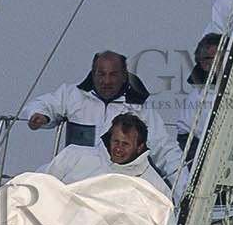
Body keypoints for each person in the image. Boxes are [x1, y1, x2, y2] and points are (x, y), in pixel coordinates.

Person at [43, 112, 176, 225]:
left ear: (140, 147)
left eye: (126, 144)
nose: (118, 148)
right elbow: (42, 185)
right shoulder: (74, 156)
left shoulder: (154, 187)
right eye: (116, 141)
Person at [25, 50, 182, 182]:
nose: (106, 81)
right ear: (93, 74)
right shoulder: (73, 95)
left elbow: (164, 149)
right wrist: (41, 116)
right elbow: (44, 104)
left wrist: (183, 187)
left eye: (113, 75)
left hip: (118, 183)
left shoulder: (140, 109)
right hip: (76, 178)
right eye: (101, 74)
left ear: (124, 77)